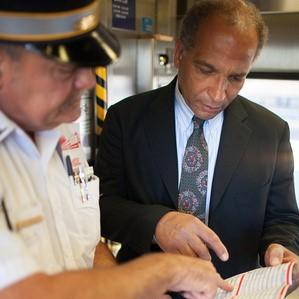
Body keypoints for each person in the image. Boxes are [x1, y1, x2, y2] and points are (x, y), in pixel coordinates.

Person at [0, 1, 232, 299]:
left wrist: (125, 288)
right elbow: (21, 292)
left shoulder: (61, 132)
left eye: (87, 63)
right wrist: (164, 271)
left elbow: (81, 245)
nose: (86, 80)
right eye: (62, 67)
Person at [96, 0, 299, 290]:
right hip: (148, 291)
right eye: (206, 70)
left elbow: (283, 217)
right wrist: (158, 223)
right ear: (180, 53)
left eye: (235, 78)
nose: (218, 94)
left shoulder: (271, 131)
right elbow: (101, 208)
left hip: (235, 290)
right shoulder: (126, 119)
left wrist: (280, 245)